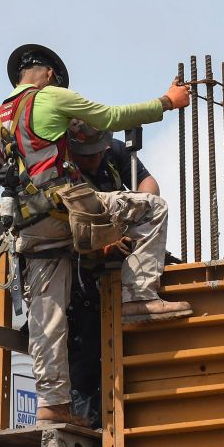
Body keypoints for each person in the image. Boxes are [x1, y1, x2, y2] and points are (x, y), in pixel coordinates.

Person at [0, 44, 193, 425]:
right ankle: (137, 297)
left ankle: (52, 406)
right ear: (48, 74)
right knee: (151, 207)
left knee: (47, 318)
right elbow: (110, 116)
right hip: (66, 212)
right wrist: (167, 101)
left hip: (29, 230)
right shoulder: (50, 97)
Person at [65, 120, 162, 427]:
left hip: (113, 276)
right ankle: (90, 433)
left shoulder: (115, 153)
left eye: (98, 152)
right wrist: (102, 246)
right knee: (85, 372)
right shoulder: (60, 174)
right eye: (87, 154)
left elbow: (149, 187)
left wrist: (136, 215)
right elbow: (61, 235)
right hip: (79, 284)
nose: (94, 159)